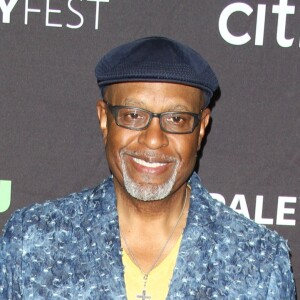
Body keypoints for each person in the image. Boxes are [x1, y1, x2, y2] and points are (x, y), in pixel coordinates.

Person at [0, 37, 295, 300]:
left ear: (202, 127)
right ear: (104, 119)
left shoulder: (258, 262)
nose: (154, 139)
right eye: (133, 115)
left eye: (176, 119)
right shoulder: (33, 241)